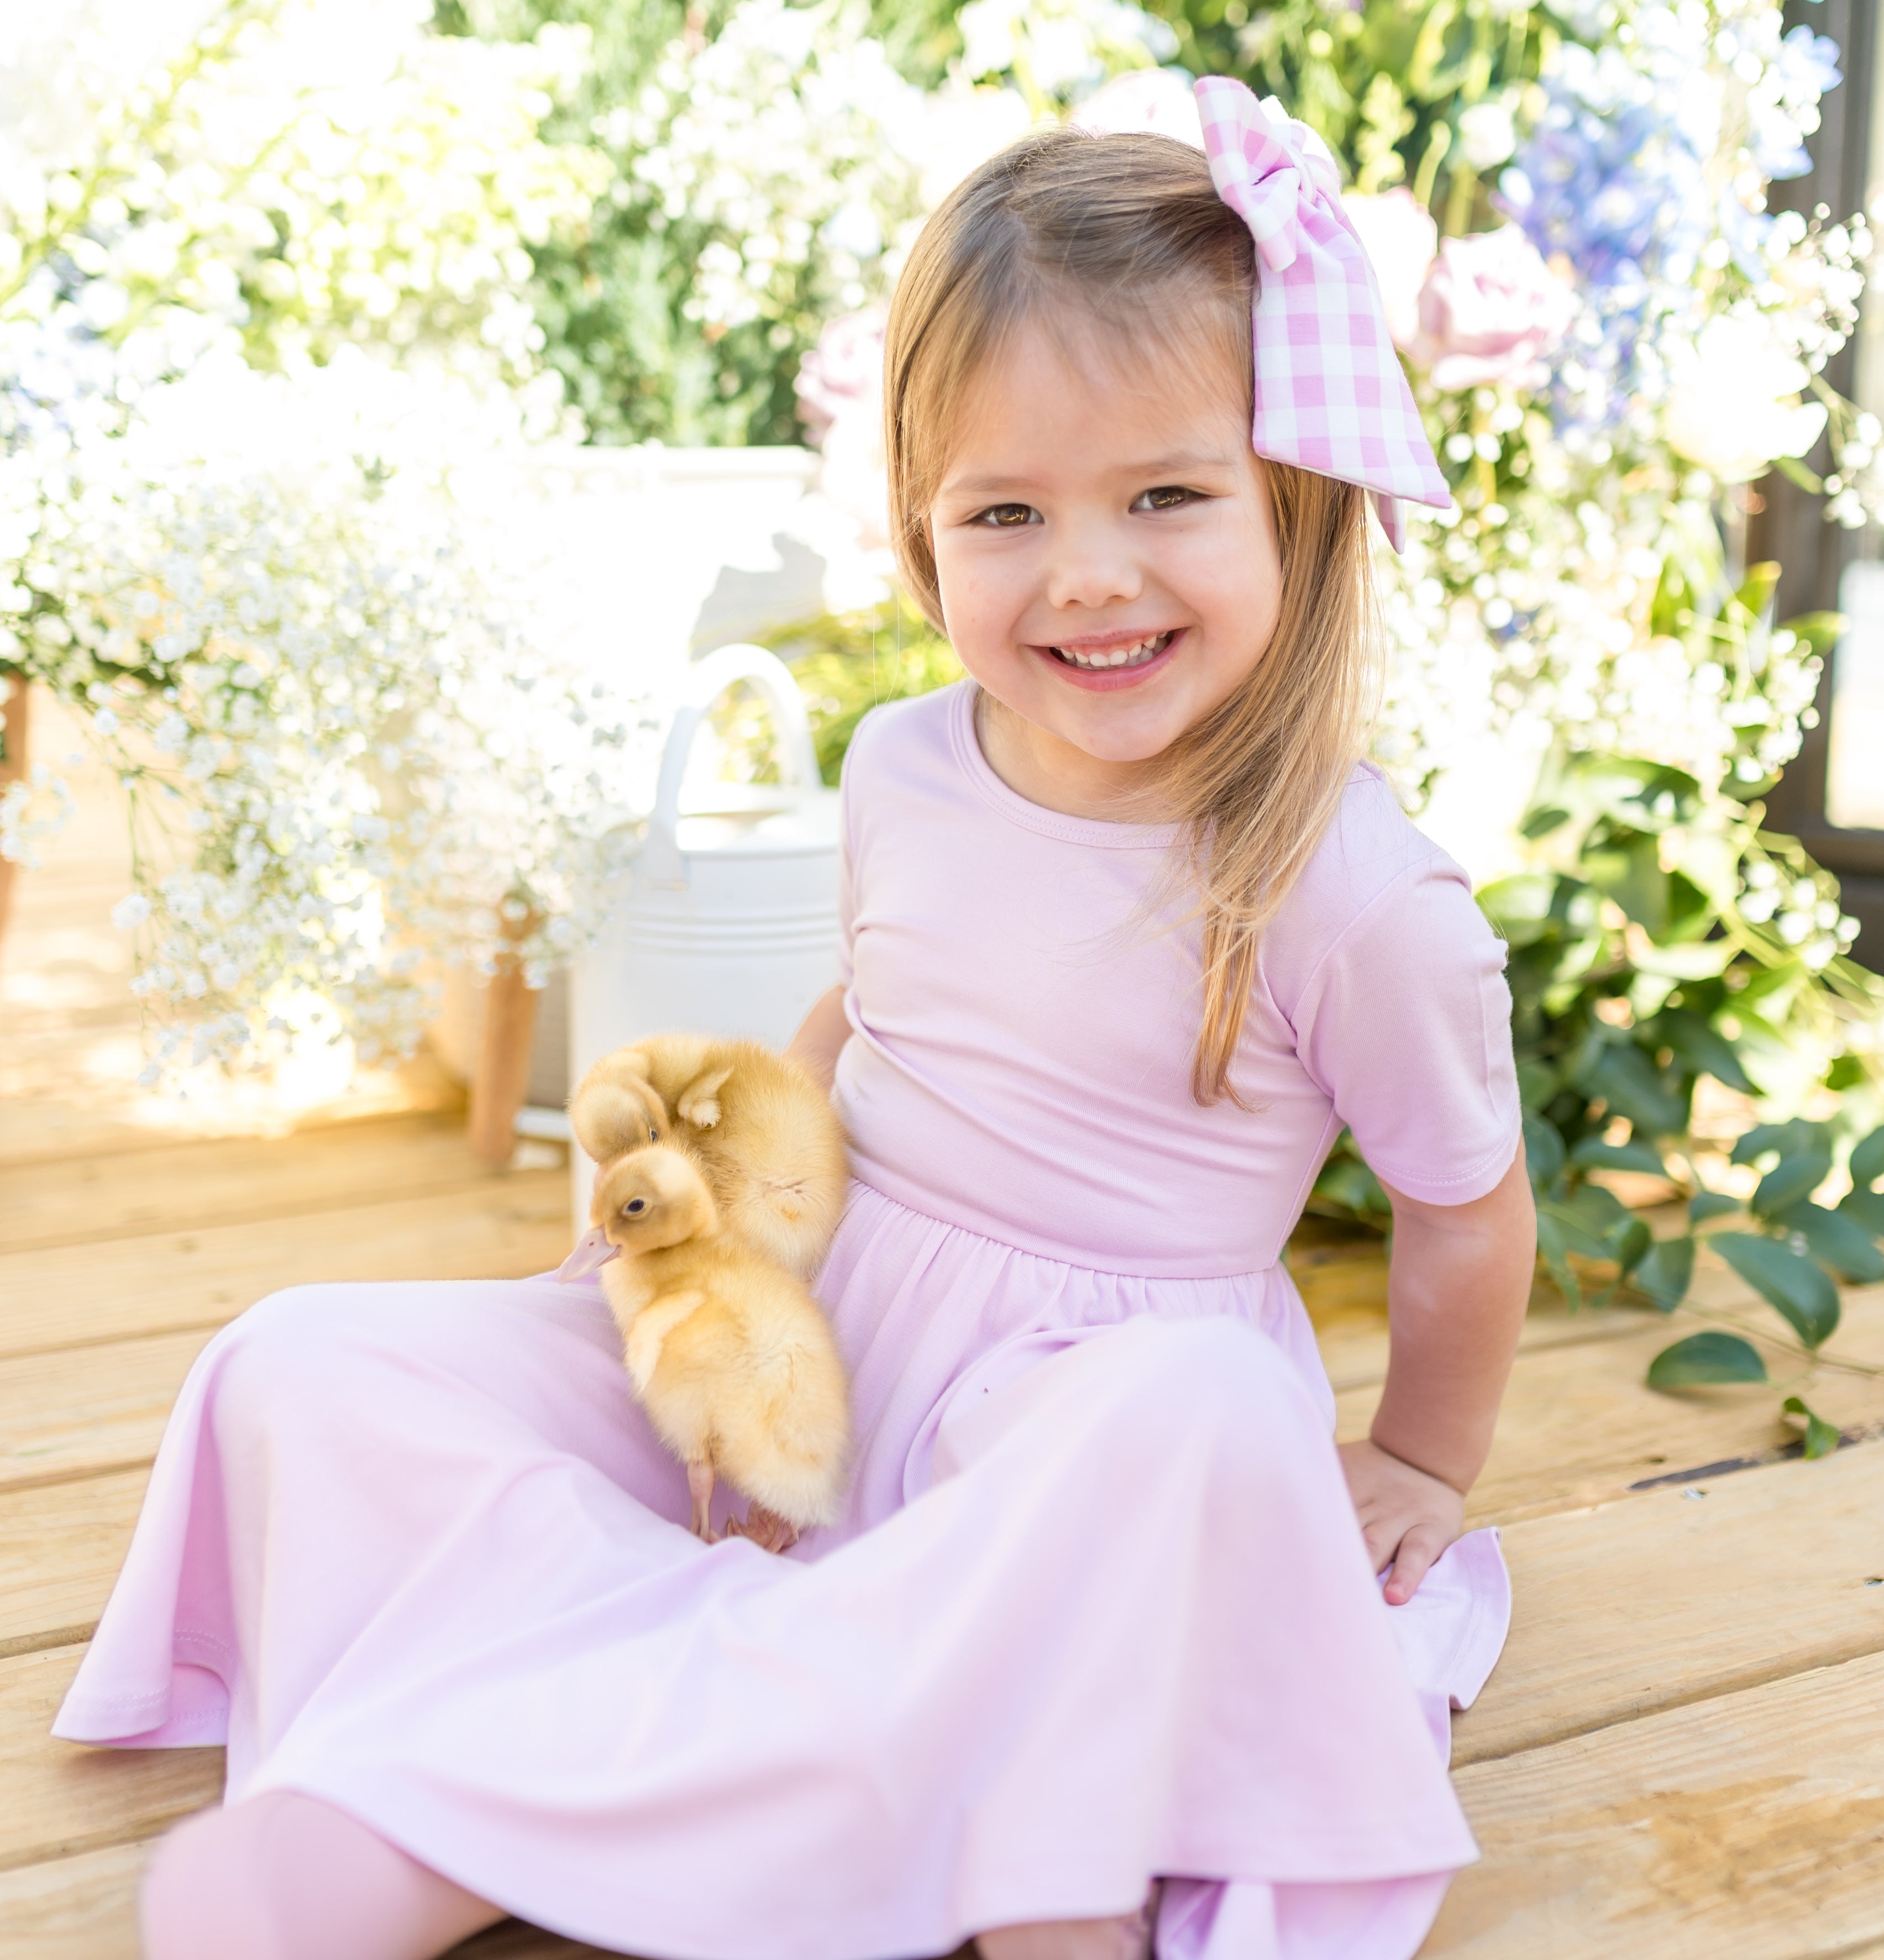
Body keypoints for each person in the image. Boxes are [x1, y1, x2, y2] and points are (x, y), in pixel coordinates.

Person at [61, 77, 1535, 1960]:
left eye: (1166, 494)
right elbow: (865, 1022)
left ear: (1296, 504)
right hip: (838, 1318)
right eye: (1006, 510)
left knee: (1194, 1419)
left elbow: (1463, 1198)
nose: (1085, 570)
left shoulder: (1347, 889)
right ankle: (809, 1736)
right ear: (923, 533)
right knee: (306, 1361)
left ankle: (533, 1798)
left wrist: (1418, 1455)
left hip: (1076, 1422)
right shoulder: (910, 764)